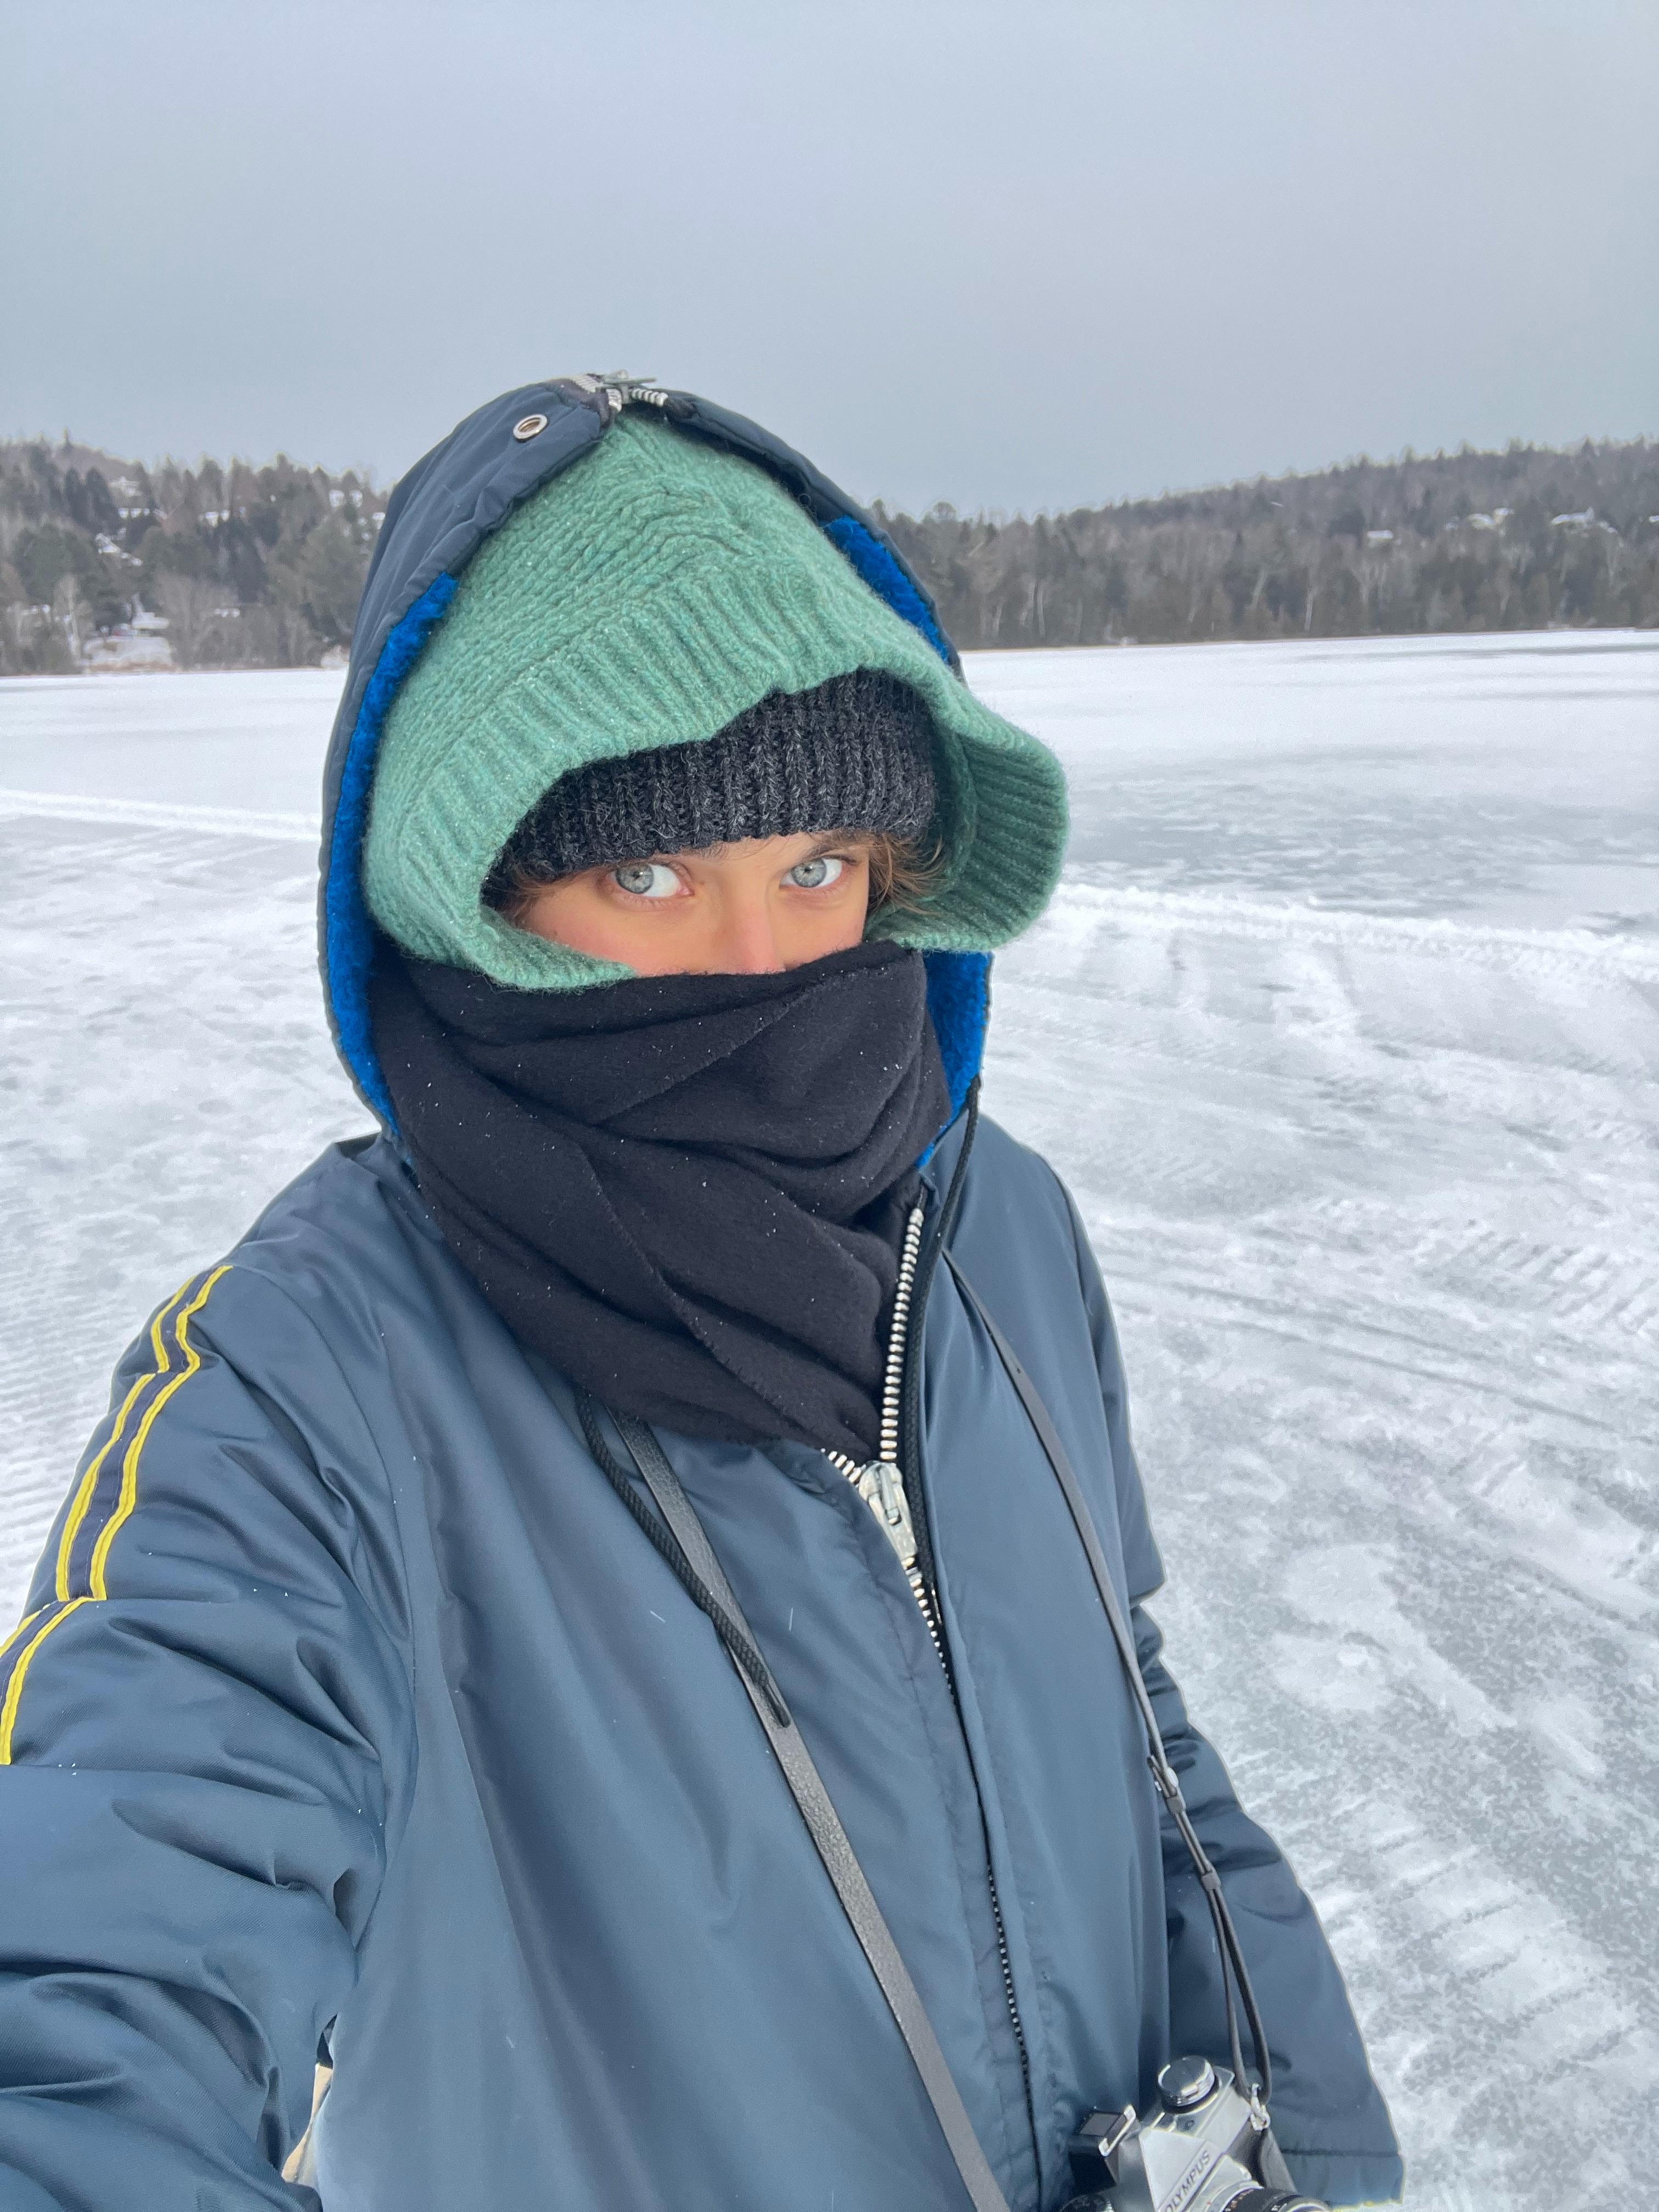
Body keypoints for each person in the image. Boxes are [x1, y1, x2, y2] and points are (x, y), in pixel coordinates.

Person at [0, 380, 1403, 2211]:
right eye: (647, 871)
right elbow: (88, 1983)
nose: (763, 972)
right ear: (473, 902)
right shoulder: (303, 1383)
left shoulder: (1001, 1232)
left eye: (816, 868)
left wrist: (1324, 2154)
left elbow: (1136, 1743)